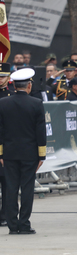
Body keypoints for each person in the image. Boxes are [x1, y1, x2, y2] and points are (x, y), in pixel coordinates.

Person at [0, 68, 46, 234]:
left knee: (11, 188)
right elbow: (40, 131)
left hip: (10, 153)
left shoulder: (3, 103)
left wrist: (1, 153)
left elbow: (0, 129)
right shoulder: (36, 103)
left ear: (13, 85)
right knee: (27, 188)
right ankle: (24, 223)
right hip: (29, 153)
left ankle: (12, 225)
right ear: (28, 86)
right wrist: (42, 154)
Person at [0, 63, 12, 227]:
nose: (0, 79)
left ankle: (5, 214)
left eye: (2, 76)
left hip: (6, 144)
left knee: (7, 182)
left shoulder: (11, 96)